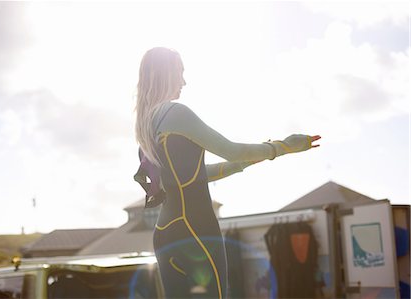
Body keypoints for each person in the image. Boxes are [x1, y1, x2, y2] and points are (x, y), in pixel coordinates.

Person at [134, 47, 321, 299]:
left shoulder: (146, 128)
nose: (184, 81)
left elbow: (191, 176)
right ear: (166, 73)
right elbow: (231, 150)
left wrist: (244, 164)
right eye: (180, 72)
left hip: (165, 234)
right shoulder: (176, 113)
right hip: (195, 230)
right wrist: (282, 147)